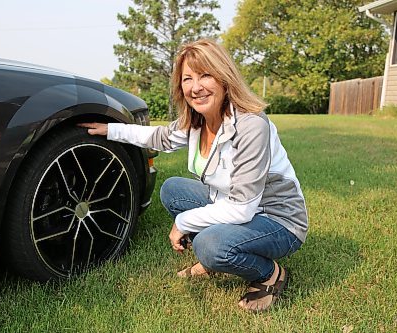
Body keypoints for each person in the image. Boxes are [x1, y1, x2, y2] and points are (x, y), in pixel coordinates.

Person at [79, 38, 308, 312]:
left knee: (209, 245)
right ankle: (219, 254)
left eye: (205, 75)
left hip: (277, 219)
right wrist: (111, 130)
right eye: (187, 78)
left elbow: (243, 208)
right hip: (231, 204)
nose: (195, 87)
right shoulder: (197, 121)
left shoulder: (251, 126)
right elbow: (159, 136)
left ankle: (268, 274)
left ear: (224, 78)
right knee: (172, 189)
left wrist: (185, 221)